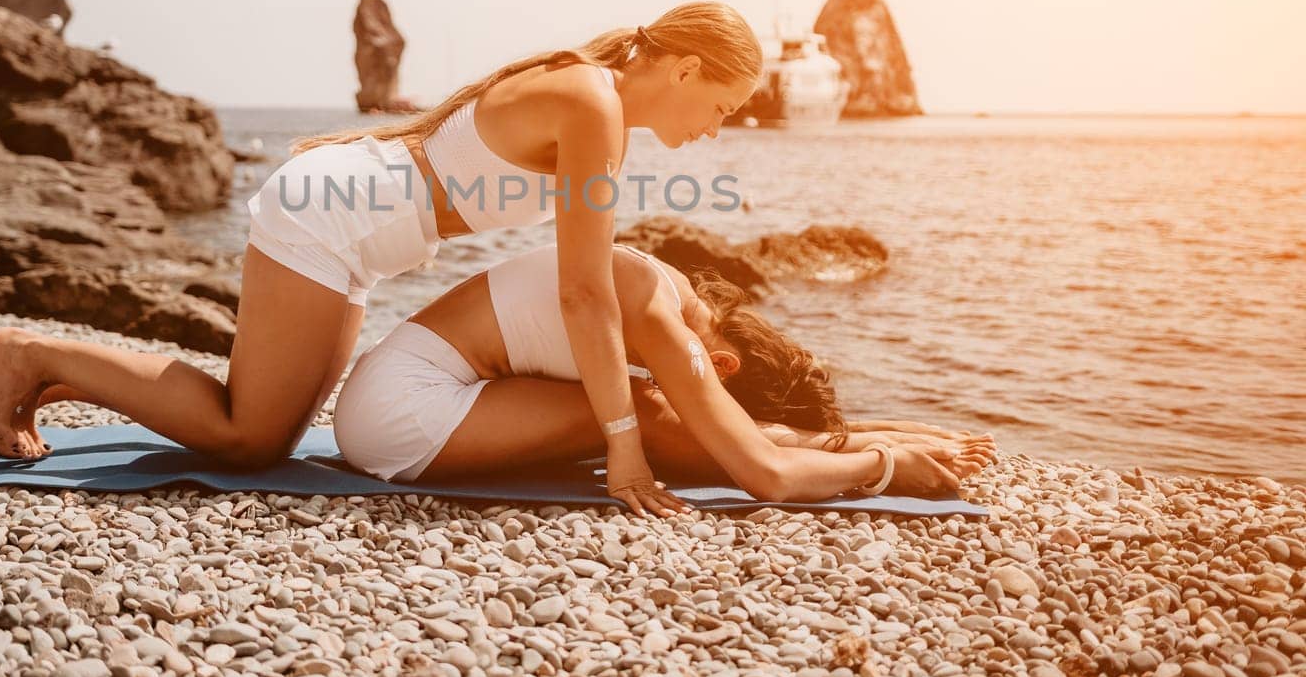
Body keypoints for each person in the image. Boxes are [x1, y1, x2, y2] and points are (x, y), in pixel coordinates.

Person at [0, 2, 765, 517]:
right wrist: (624, 443)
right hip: (332, 217)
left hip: (357, 232)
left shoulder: (590, 94)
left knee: (266, 435)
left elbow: (583, 287)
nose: (713, 128)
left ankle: (57, 370)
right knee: (249, 438)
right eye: (722, 107)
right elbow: (585, 294)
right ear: (687, 69)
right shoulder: (593, 104)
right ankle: (35, 352)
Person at [333, 239, 997, 500]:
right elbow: (763, 473)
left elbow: (727, 432)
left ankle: (851, 435)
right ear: (723, 361)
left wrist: (893, 427)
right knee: (649, 411)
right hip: (401, 410)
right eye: (716, 392)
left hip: (396, 388)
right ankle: (849, 444)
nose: (701, 400)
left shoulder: (665, 286)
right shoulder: (662, 319)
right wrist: (883, 467)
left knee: (646, 404)